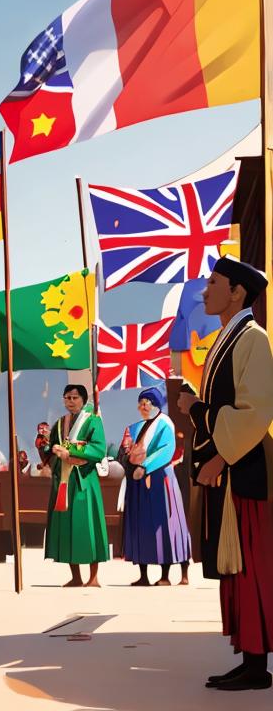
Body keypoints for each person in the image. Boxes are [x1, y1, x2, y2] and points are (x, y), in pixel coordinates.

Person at [176, 256, 273, 692]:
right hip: (231, 470)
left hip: (242, 472)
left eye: (213, 283)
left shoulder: (253, 339)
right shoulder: (228, 338)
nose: (205, 291)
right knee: (235, 568)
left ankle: (257, 664)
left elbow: (255, 412)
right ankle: (248, 656)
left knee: (250, 565)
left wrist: (199, 415)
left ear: (237, 292)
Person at [121, 387, 191, 587]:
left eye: (148, 402)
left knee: (165, 523)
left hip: (161, 479)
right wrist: (127, 456)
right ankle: (143, 574)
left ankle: (166, 575)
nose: (143, 406)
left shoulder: (164, 423)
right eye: (141, 402)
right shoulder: (134, 428)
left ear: (157, 405)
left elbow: (166, 450)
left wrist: (144, 466)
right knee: (141, 524)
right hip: (138, 481)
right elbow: (125, 450)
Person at [42, 384, 108, 587]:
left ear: (83, 399)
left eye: (74, 397)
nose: (70, 401)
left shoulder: (92, 420)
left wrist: (69, 450)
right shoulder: (60, 423)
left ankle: (93, 577)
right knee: (67, 525)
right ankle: (76, 576)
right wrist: (47, 446)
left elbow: (98, 449)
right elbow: (51, 447)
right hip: (64, 479)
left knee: (87, 525)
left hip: (83, 478)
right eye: (67, 397)